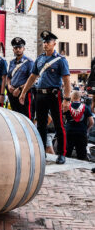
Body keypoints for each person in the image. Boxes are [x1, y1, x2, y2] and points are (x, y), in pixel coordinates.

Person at [19, 30, 71, 164]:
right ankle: (42, 151)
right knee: (40, 125)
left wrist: (67, 99)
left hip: (54, 95)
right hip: (40, 94)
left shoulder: (61, 60)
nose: (45, 44)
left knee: (59, 124)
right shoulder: (40, 59)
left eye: (48, 42)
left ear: (54, 43)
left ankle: (61, 153)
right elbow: (32, 77)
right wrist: (24, 92)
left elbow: (66, 80)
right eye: (44, 42)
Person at [7, 37, 34, 118]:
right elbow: (8, 77)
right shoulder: (12, 62)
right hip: (12, 93)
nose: (18, 49)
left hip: (24, 93)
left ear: (23, 48)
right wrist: (8, 85)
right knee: (15, 116)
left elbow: (32, 80)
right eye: (16, 48)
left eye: (20, 47)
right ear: (13, 50)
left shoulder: (29, 62)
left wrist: (19, 88)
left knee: (26, 116)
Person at [64, 91, 94, 160]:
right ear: (80, 98)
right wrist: (87, 129)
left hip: (69, 132)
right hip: (82, 132)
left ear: (71, 98)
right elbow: (92, 121)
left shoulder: (67, 107)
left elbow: (64, 120)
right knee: (81, 155)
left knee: (67, 153)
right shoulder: (86, 107)